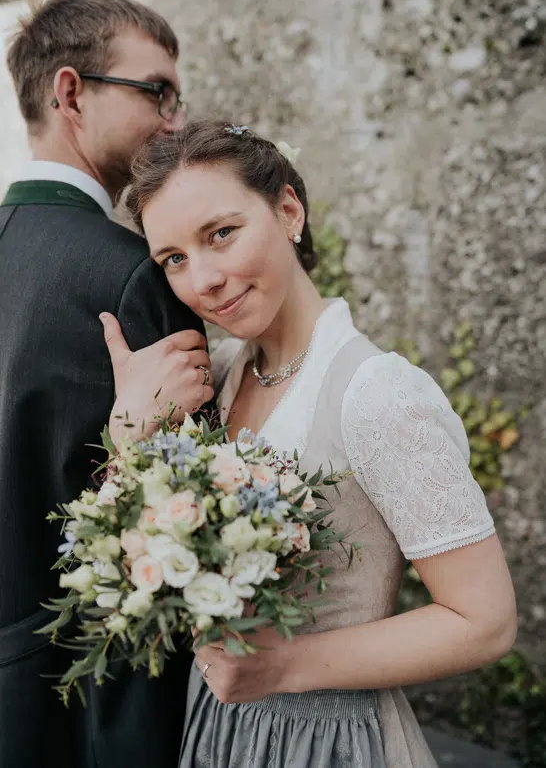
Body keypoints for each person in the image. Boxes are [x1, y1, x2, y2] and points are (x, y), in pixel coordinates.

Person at [101, 120, 518, 768]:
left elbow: (484, 620)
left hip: (330, 744)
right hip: (217, 726)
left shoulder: (377, 393)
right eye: (174, 258)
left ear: (288, 209)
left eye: (221, 233)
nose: (202, 278)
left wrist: (283, 666)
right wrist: (131, 428)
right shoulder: (223, 370)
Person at [0, 0, 214, 768]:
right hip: (92, 708)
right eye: (156, 90)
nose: (176, 120)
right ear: (69, 93)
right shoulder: (132, 276)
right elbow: (195, 526)